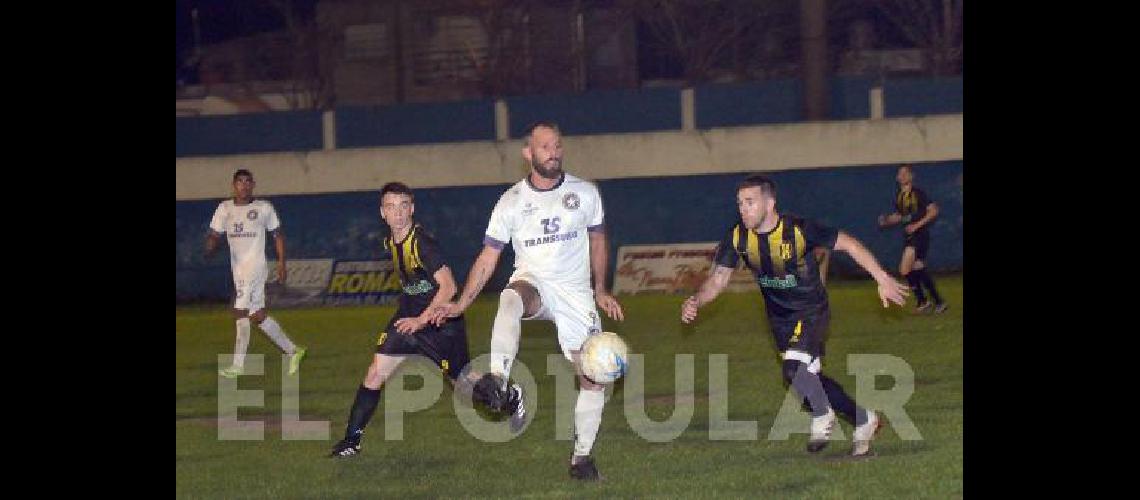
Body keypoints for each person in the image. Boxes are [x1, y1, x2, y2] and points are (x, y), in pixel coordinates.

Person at [433, 121, 625, 481]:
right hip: (533, 282)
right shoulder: (511, 202)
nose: (553, 152)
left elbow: (598, 240)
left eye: (557, 145)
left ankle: (581, 458)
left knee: (593, 377)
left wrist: (601, 289)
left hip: (575, 293)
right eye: (544, 147)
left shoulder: (585, 193)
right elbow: (489, 256)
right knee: (510, 297)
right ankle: (499, 379)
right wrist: (460, 304)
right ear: (528, 153)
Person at [681, 174, 908, 457]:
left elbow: (848, 244)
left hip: (811, 310)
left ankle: (823, 417)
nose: (743, 209)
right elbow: (717, 279)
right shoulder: (737, 236)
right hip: (779, 319)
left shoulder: (799, 230)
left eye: (750, 202)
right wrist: (697, 301)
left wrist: (882, 278)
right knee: (809, 378)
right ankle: (864, 420)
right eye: (740, 203)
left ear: (770, 203)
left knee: (793, 370)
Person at [330, 182, 510, 458]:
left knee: (463, 385)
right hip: (407, 320)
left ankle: (506, 394)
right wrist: (411, 318)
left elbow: (448, 287)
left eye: (404, 206)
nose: (398, 213)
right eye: (391, 207)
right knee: (376, 372)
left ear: (412, 208)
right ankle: (350, 443)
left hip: (439, 323)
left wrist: (421, 319)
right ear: (383, 213)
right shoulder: (391, 241)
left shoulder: (422, 243)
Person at [206, 169, 306, 379]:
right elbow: (215, 233)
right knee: (257, 315)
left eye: (247, 182)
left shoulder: (263, 208)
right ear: (234, 185)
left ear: (253, 185)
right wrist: (211, 245)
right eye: (239, 182)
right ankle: (293, 351)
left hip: (255, 266)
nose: (243, 186)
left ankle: (238, 365)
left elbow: (278, 235)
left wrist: (281, 263)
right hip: (238, 268)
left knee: (239, 311)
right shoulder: (224, 208)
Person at [878, 164, 947, 314]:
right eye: (899, 174)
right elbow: (900, 216)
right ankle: (936, 302)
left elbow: (934, 210)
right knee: (917, 268)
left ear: (911, 176)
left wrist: (917, 225)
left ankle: (924, 301)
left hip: (919, 235)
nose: (901, 176)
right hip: (911, 236)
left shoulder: (918, 193)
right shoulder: (899, 196)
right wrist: (888, 221)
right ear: (897, 178)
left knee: (904, 269)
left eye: (905, 173)